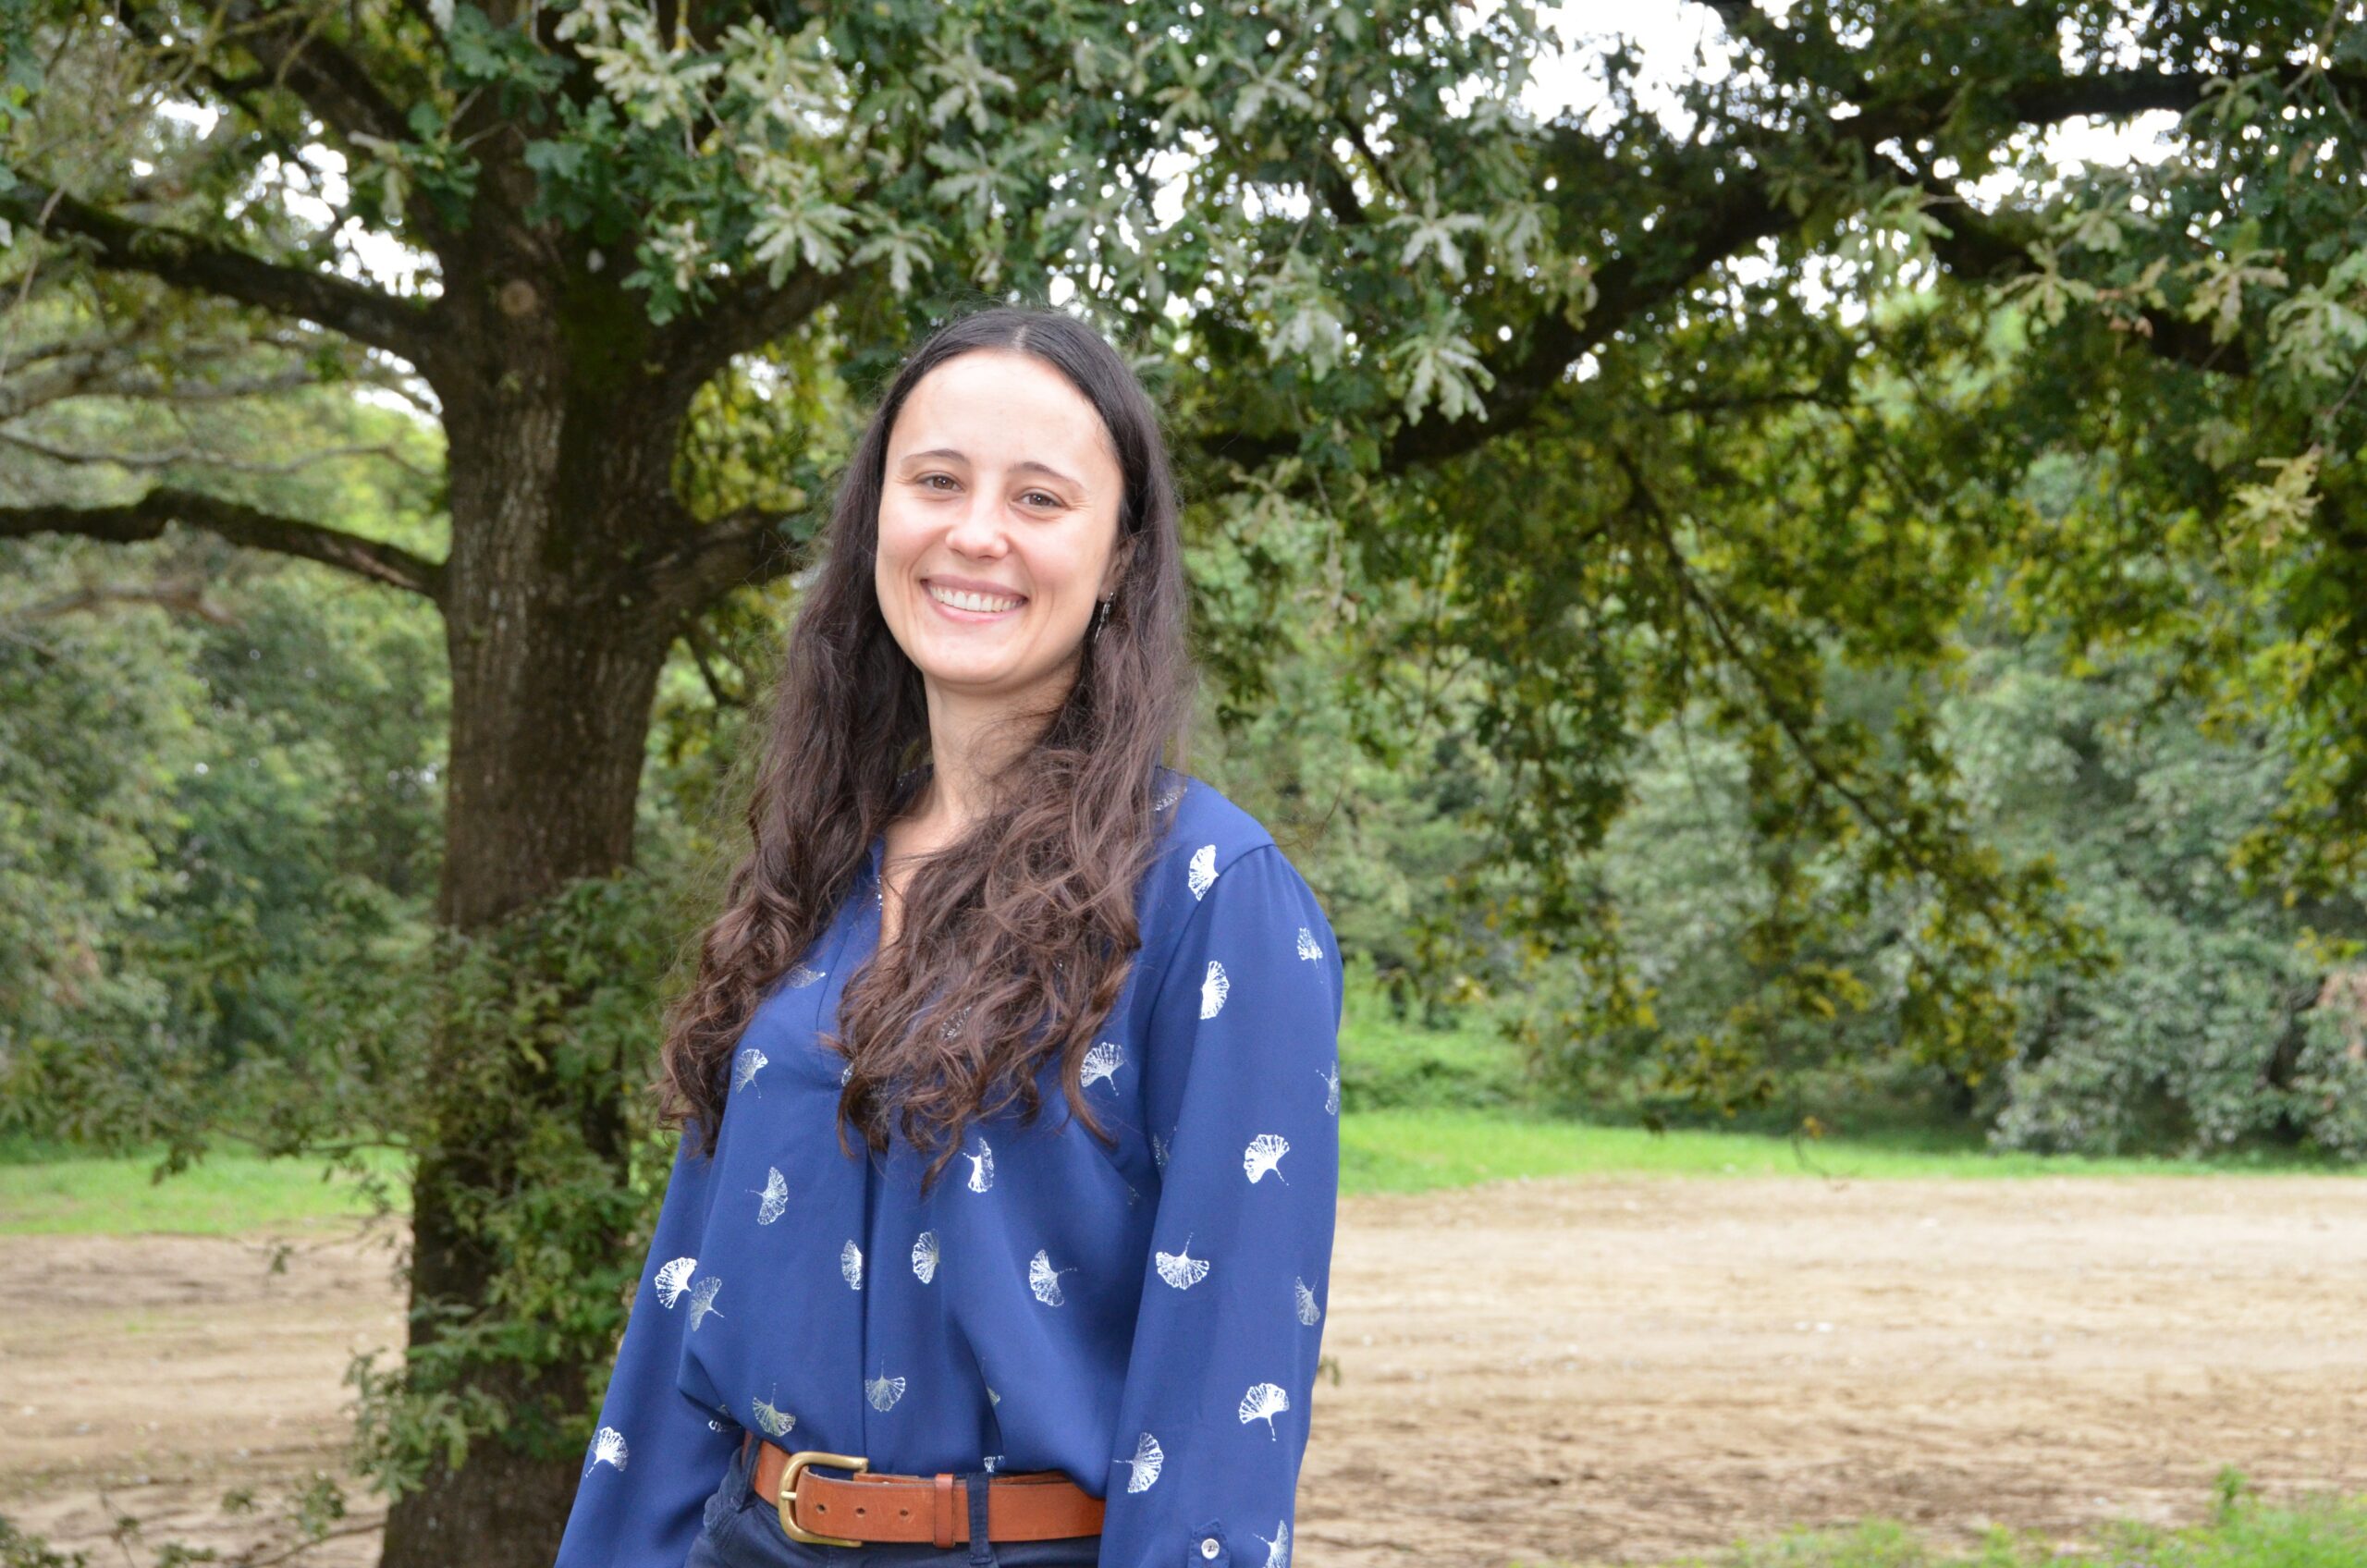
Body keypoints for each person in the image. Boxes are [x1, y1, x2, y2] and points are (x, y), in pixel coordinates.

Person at [550, 303, 1343, 1568]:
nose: (976, 533)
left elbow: (1218, 1417)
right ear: (879, 517)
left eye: (1040, 498)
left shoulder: (1211, 896)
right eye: (936, 481)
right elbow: (682, 1323)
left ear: (1122, 555)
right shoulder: (817, 869)